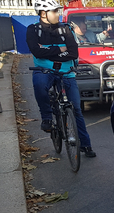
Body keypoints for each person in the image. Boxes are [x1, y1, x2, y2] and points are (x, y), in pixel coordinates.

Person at [27, 0, 96, 157]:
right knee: (39, 85)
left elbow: (73, 53)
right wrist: (59, 49)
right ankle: (47, 118)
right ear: (44, 14)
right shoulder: (32, 30)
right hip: (43, 70)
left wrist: (48, 50)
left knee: (76, 109)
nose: (58, 14)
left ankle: (85, 145)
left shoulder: (65, 29)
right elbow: (36, 52)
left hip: (67, 71)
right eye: (54, 11)